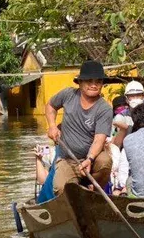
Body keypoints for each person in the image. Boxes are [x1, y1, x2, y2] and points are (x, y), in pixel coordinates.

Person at [45, 60, 114, 193]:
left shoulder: (104, 109)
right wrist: (52, 126)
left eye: (98, 82)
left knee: (105, 161)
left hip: (92, 159)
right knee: (60, 188)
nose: (94, 85)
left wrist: (89, 159)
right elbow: (50, 106)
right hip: (68, 158)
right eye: (89, 81)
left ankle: (95, 192)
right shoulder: (68, 95)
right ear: (80, 82)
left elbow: (99, 140)